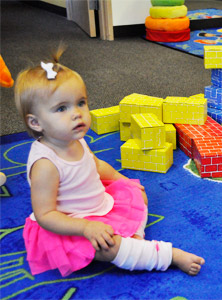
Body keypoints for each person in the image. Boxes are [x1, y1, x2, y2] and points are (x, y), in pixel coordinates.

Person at [14, 47, 205, 277]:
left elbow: (96, 165)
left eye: (81, 102)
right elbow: (45, 215)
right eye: (62, 108)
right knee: (109, 247)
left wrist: (123, 181)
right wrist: (86, 228)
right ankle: (167, 255)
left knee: (139, 194)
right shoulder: (45, 164)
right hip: (71, 226)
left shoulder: (75, 139)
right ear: (36, 123)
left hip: (99, 205)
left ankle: (134, 242)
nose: (77, 113)